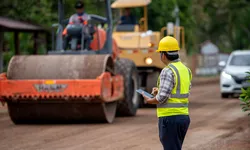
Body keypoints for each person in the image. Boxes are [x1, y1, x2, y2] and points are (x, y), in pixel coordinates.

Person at [142, 36, 192, 150]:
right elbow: (181, 91)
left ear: (163, 55)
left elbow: (162, 97)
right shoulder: (186, 70)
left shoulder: (167, 70)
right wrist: (159, 91)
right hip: (183, 117)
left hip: (169, 118)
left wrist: (149, 100)